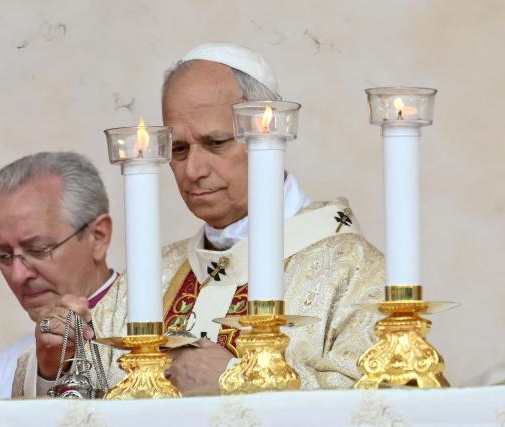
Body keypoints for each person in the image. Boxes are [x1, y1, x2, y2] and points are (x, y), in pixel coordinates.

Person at [159, 43, 385, 394]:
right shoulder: (152, 277)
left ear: (269, 132)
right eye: (178, 149)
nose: (193, 170)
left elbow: (382, 402)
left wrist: (235, 379)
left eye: (216, 142)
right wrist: (57, 361)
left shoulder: (355, 272)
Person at [0, 151, 128, 399]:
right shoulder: (0, 374)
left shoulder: (157, 340)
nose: (18, 275)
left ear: (98, 236)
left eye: (38, 250)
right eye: (4, 256)